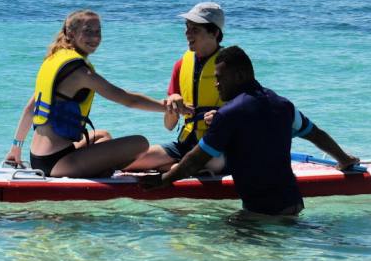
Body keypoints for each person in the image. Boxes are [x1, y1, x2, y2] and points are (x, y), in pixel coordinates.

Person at [140, 46, 359, 216]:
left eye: (219, 77)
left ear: (239, 76)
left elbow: (196, 159)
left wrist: (164, 181)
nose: (216, 84)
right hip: (293, 205)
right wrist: (343, 159)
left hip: (261, 213)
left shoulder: (229, 115)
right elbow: (315, 134)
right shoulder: (283, 105)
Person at [4, 9, 189, 178]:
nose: (95, 37)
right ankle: (102, 172)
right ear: (71, 34)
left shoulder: (53, 60)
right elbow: (128, 99)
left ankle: (100, 168)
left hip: (39, 158)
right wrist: (169, 107)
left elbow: (30, 108)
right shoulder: (79, 72)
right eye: (88, 31)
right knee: (140, 143)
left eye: (98, 31)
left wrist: (16, 148)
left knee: (103, 136)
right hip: (57, 163)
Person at [124, 2, 227, 174]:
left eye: (195, 30)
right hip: (185, 145)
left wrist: (223, 117)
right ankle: (176, 169)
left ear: (214, 33)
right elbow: (169, 125)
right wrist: (172, 106)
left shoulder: (231, 65)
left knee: (214, 163)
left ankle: (173, 169)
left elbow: (250, 112)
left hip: (217, 148)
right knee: (130, 162)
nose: (187, 34)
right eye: (187, 28)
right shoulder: (181, 65)